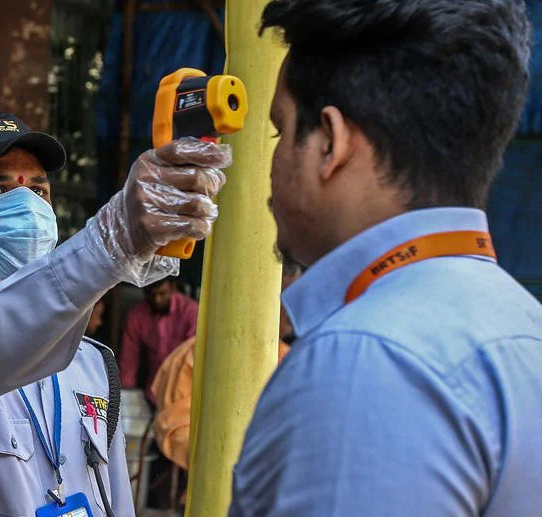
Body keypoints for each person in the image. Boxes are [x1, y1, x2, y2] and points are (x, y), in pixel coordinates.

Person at [230, 1, 541, 516]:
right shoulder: (520, 326)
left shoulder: (363, 362)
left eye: (279, 131)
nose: (274, 161)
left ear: (329, 142)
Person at [0, 109, 230, 516]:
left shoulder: (92, 361)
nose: (25, 205)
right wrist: (106, 246)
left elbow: (116, 500)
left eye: (37, 191)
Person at [151, 259, 302, 471]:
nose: (298, 310)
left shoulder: (291, 358)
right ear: (268, 301)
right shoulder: (196, 354)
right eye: (292, 299)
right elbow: (176, 429)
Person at [119, 277, 198, 403]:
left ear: (173, 288)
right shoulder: (137, 316)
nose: (157, 300)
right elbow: (129, 360)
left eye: (162, 293)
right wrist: (126, 396)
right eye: (152, 295)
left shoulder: (191, 312)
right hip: (153, 394)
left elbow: (195, 356)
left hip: (184, 396)